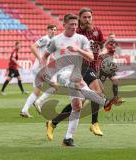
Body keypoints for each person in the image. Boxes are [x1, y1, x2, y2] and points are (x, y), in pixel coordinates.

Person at [41, 13, 120, 147]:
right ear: (64, 25)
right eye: (71, 24)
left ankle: (67, 139)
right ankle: (104, 102)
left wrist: (78, 50)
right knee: (78, 82)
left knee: (77, 106)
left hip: (78, 70)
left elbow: (90, 57)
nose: (73, 26)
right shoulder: (56, 40)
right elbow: (45, 56)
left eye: (75, 24)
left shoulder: (82, 39)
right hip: (63, 73)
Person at [19, 24, 57, 118]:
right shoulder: (45, 39)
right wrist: (40, 58)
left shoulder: (51, 41)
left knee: (40, 90)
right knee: (53, 86)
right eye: (52, 29)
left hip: (42, 68)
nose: (53, 31)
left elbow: (49, 55)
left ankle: (26, 109)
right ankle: (37, 103)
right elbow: (33, 46)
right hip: (39, 68)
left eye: (55, 30)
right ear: (47, 30)